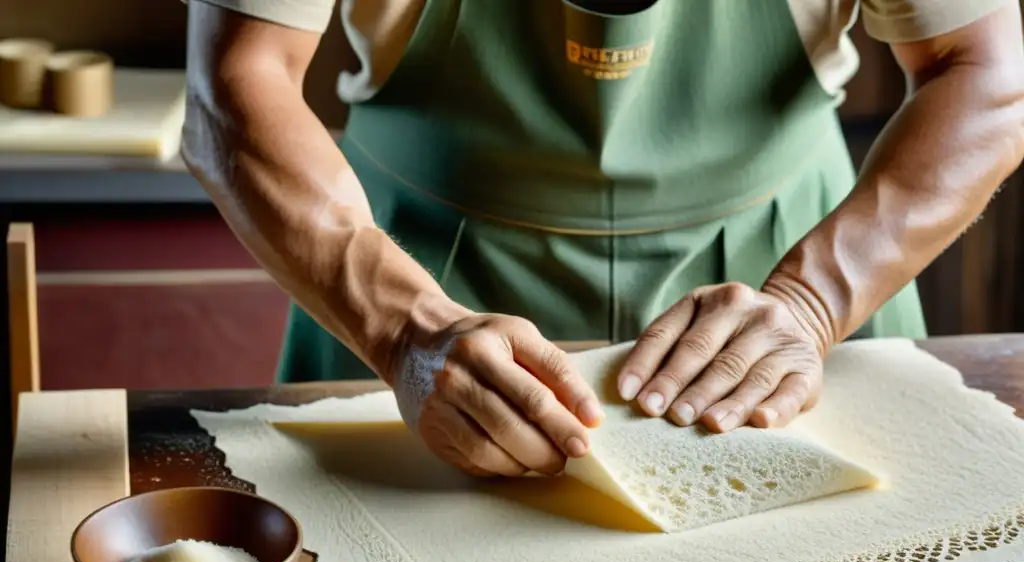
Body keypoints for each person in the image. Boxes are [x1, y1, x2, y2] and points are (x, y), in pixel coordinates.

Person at [182, 0, 1024, 478]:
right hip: (423, 273)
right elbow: (234, 82)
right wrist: (404, 332)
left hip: (790, 265)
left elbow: (986, 70)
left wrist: (808, 304)